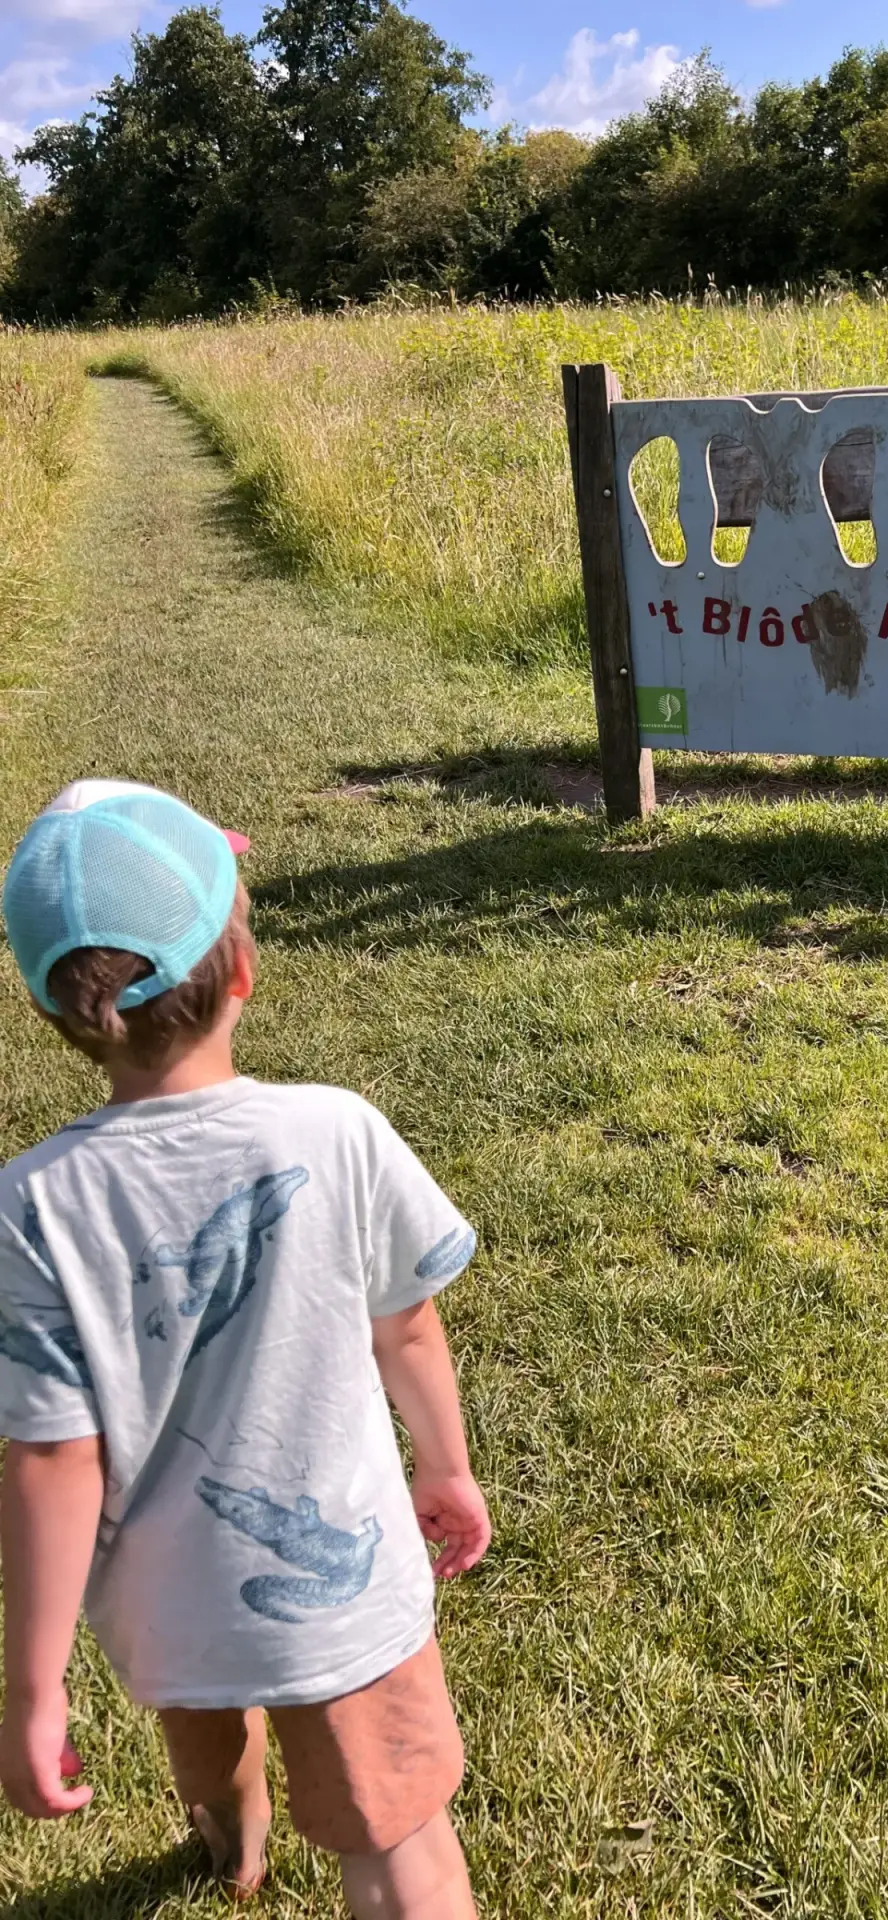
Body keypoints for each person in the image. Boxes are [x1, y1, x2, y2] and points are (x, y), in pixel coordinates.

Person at [0, 780, 490, 1916]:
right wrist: (448, 1467)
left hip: (171, 1612)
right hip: (344, 1593)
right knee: (399, 1834)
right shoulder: (335, 1128)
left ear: (62, 1015)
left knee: (209, 1745)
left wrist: (32, 1691)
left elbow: (49, 1457)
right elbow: (406, 1321)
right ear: (246, 972)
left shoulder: (30, 1206)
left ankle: (233, 1853)